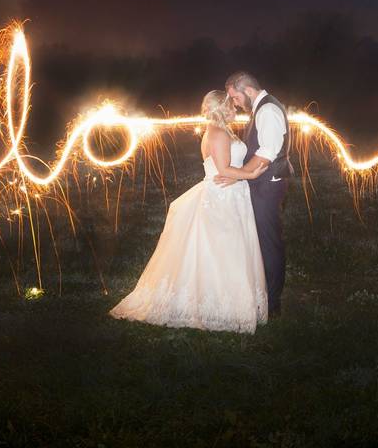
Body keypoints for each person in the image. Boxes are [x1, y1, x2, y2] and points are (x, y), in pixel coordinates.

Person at [108, 90, 271, 333]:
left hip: (229, 195)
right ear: (223, 108)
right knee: (224, 250)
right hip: (222, 199)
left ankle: (227, 302)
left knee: (225, 250)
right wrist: (251, 174)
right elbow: (224, 170)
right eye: (232, 106)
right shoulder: (217, 133)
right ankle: (221, 306)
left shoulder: (219, 131)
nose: (235, 109)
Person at [217, 71, 292, 318]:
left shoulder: (268, 111)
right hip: (263, 183)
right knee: (262, 240)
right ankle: (264, 295)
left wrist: (238, 173)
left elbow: (266, 154)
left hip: (267, 184)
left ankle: (272, 304)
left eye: (236, 98)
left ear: (247, 91)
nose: (235, 104)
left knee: (268, 242)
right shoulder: (261, 108)